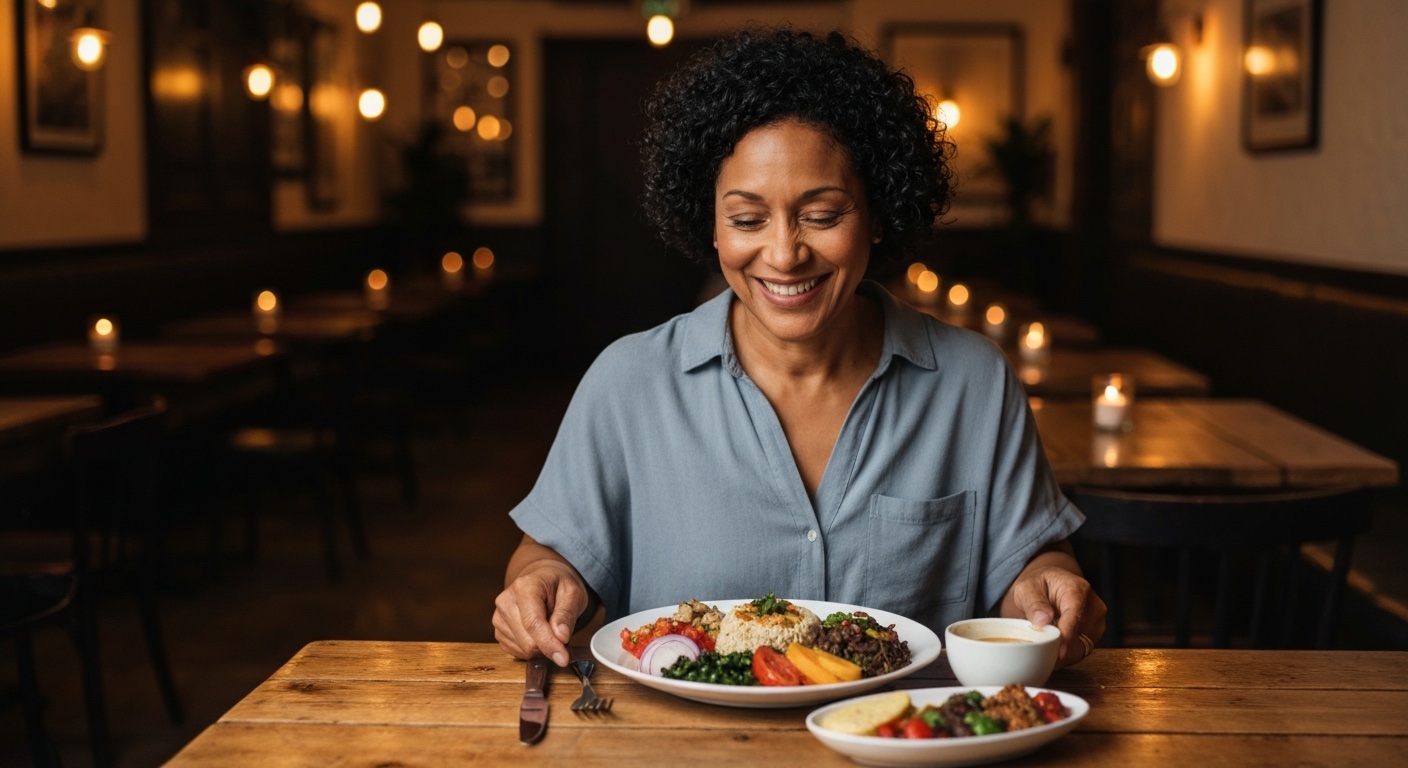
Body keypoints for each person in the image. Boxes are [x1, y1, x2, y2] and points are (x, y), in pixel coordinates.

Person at [493, 27, 1105, 670]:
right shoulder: (629, 382)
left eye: (822, 214)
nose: (784, 255)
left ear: (878, 212)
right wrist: (538, 584)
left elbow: (1032, 562)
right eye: (748, 219)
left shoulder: (972, 382)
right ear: (711, 223)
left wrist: (1049, 586)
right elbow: (548, 555)